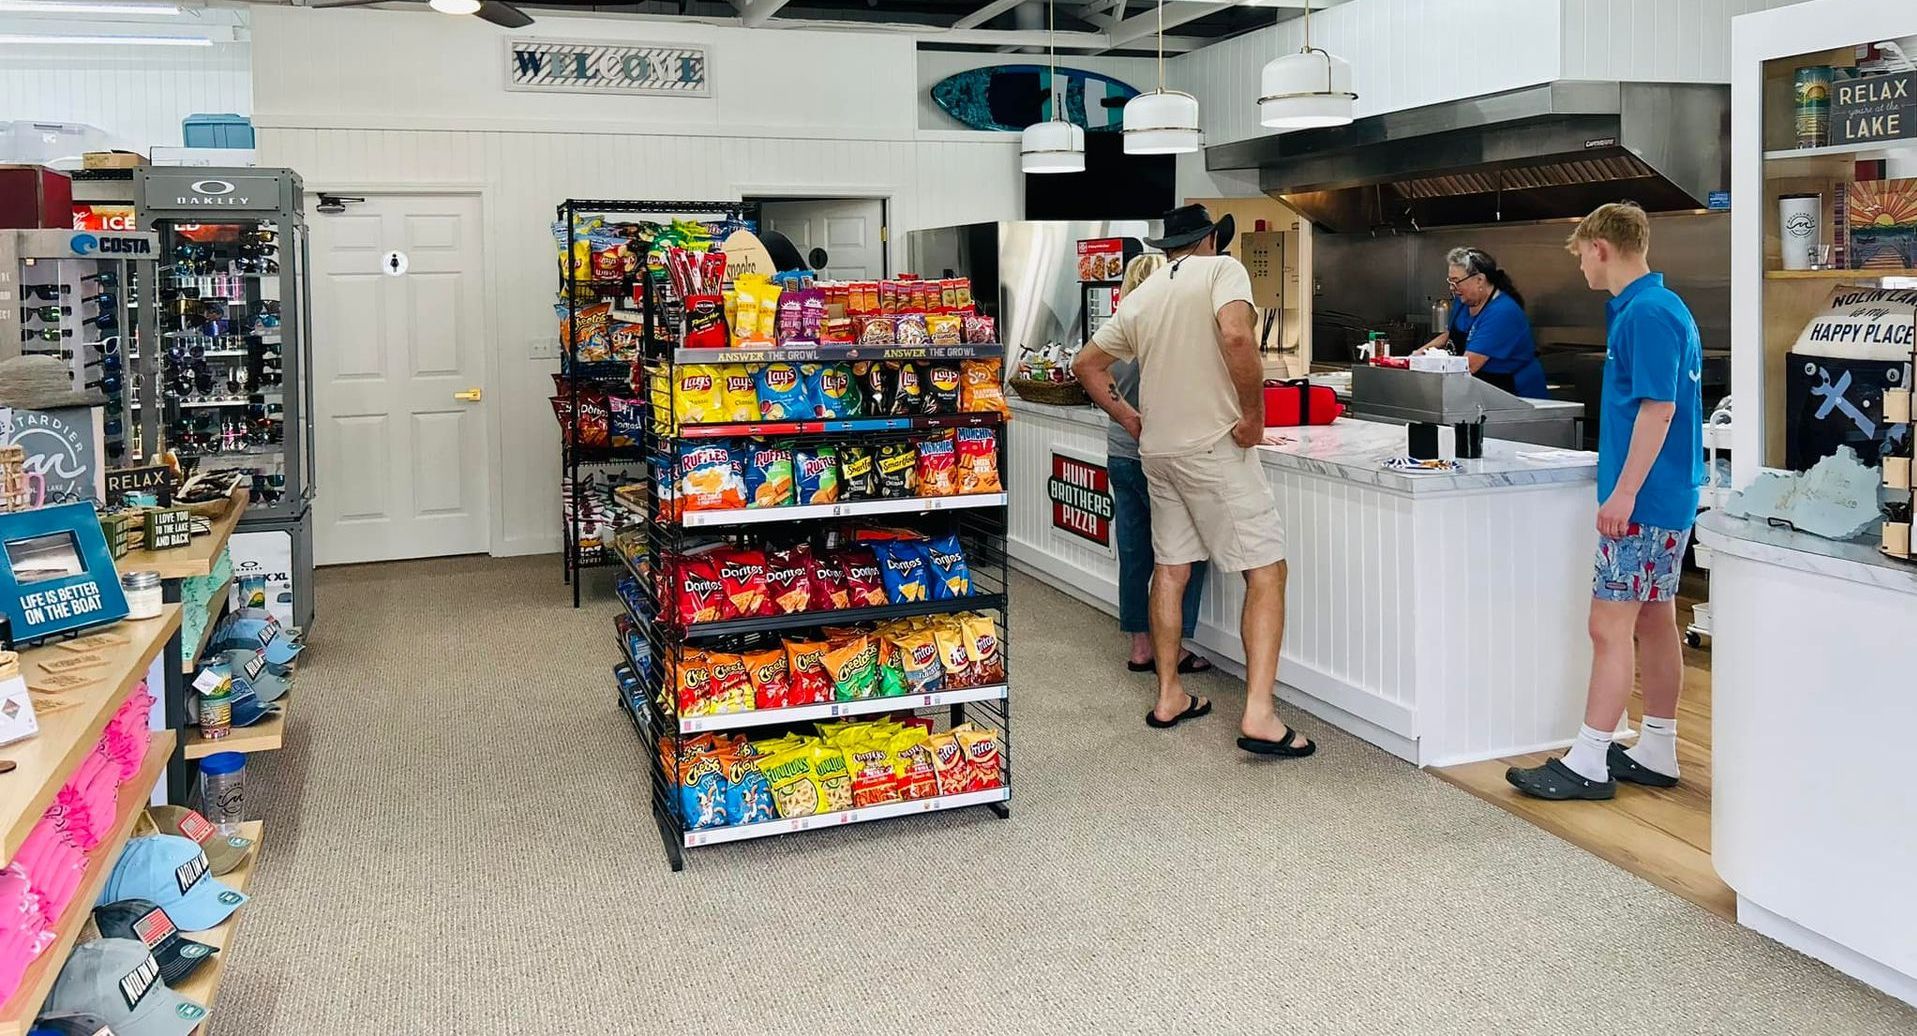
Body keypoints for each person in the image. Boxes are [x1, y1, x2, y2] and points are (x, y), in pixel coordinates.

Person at [1072, 204, 1314, 758]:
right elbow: (1236, 336)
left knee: (1171, 570)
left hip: (1158, 452)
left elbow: (1087, 365)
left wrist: (1133, 420)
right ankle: (1260, 715)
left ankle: (1169, 696)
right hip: (1212, 447)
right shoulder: (1223, 271)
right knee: (1267, 571)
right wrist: (1253, 416)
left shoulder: (1144, 293)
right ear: (1210, 240)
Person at [1506, 202, 1704, 801]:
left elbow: (1658, 409)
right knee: (1654, 619)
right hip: (1668, 495)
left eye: (1581, 256)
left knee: (1607, 626)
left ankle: (1589, 760)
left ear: (1600, 247)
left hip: (1643, 501)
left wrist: (1623, 492)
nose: (1582, 269)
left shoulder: (1644, 313)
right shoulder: (1661, 308)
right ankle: (1658, 748)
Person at [1106, 253, 1213, 676]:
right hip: (1160, 455)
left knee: (1134, 554)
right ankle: (1177, 645)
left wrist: (1126, 418)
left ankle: (1139, 646)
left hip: (1119, 454)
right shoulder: (1161, 331)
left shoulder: (1115, 330)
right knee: (1184, 555)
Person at [1415, 247, 1551, 399]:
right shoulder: (1465, 301)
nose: (1452, 288)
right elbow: (1451, 334)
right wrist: (1417, 355)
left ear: (1480, 280)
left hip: (1514, 396)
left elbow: (1469, 365)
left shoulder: (1502, 312)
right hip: (1481, 390)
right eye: (1450, 281)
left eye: (1456, 282)